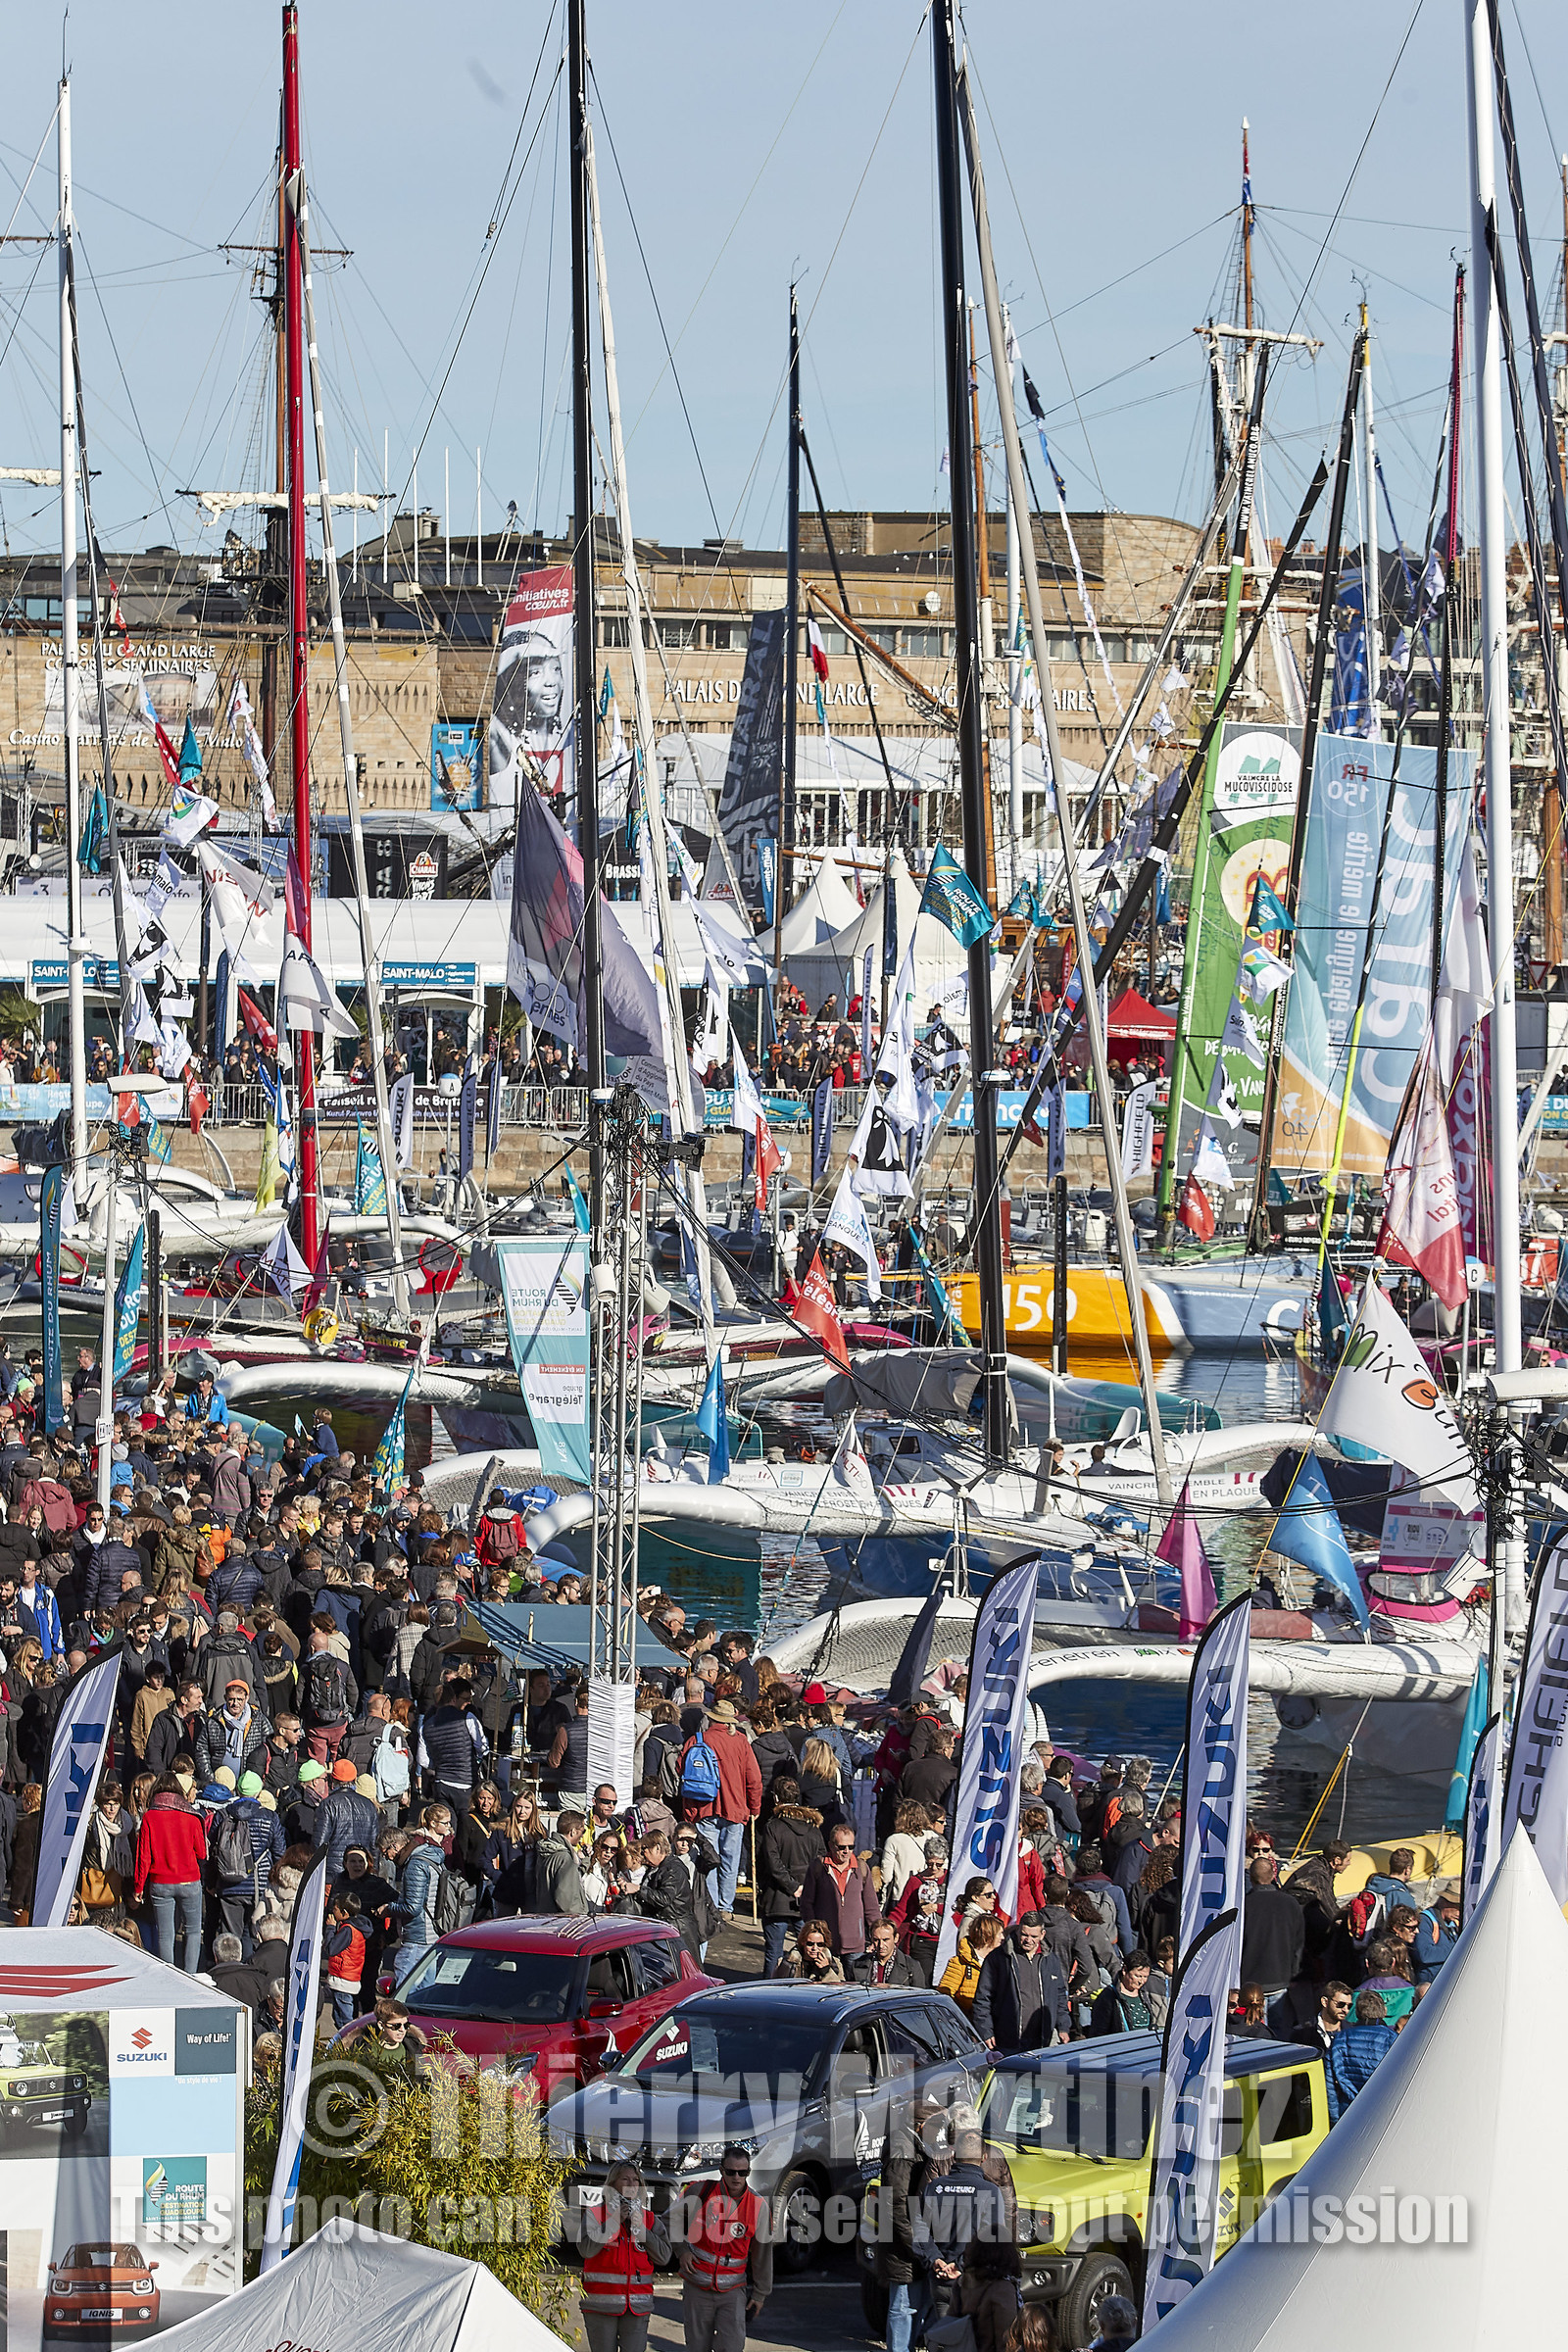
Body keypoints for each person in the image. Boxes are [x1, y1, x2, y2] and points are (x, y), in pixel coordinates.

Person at [679, 2144, 771, 2352]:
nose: (736, 2177)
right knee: (696, 2347)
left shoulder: (758, 2206)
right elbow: (669, 2220)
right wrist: (681, 2250)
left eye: (743, 2172)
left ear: (748, 2172)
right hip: (697, 2288)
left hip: (732, 2292)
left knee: (732, 2347)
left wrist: (760, 2294)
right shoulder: (699, 2192)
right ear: (721, 2170)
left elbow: (763, 2254)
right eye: (731, 2172)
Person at [676, 1701, 761, 1921]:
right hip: (735, 1808)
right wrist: (755, 1807)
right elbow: (754, 1778)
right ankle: (726, 1905)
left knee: (710, 1858)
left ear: (712, 1718)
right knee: (730, 1859)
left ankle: (712, 1903)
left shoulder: (698, 1740)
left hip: (704, 1807)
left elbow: (680, 1767)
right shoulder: (741, 1742)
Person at [579, 2158, 671, 2352]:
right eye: (625, 2179)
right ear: (612, 2184)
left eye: (635, 2180)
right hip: (600, 2306)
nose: (631, 2184)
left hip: (637, 2307)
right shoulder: (595, 2214)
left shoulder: (649, 2218)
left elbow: (664, 2257)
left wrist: (642, 2230)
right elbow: (586, 2250)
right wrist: (613, 2222)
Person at [134, 1775, 208, 1972]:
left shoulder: (150, 1816)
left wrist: (139, 1887)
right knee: (192, 1932)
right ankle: (191, 1975)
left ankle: (169, 1977)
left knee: (165, 1934)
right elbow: (201, 1852)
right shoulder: (191, 1816)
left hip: (160, 1883)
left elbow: (143, 1857)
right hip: (189, 1880)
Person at [971, 1913, 1070, 2053]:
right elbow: (983, 1998)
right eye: (1024, 1935)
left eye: (1034, 1936)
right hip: (1008, 2041)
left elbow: (1059, 1995)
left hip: (1044, 2041)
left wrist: (1063, 2026)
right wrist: (986, 2031)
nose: (1028, 1940)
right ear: (1018, 1931)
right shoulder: (998, 1958)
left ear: (1042, 1934)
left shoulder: (1051, 1959)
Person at [757, 1779, 825, 1979]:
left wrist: (792, 1886)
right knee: (811, 1952)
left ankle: (768, 1995)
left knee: (774, 1954)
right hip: (806, 1899)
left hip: (777, 1898)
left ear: (776, 1798)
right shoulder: (813, 1828)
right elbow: (822, 1861)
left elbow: (771, 1862)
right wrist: (805, 1887)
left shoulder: (773, 1827)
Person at [800, 1824, 880, 1966]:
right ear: (831, 1845)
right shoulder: (818, 1867)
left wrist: (876, 1937)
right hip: (826, 1946)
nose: (847, 1851)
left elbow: (871, 1907)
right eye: (842, 1847)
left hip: (856, 1945)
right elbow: (807, 1903)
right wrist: (815, 1933)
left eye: (851, 1847)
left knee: (854, 1986)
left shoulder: (861, 1868)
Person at [1325, 1986, 1398, 2122]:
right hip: (1383, 2110)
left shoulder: (1340, 2038)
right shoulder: (1393, 2039)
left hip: (1348, 2111)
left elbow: (1329, 2083)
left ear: (1357, 2012)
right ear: (1383, 2011)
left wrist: (1335, 2118)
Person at [1239, 1854, 1304, 1998]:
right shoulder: (1291, 1904)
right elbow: (1298, 1943)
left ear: (1251, 1878)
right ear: (1273, 1875)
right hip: (1280, 1979)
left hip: (1249, 1983)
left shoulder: (1244, 1906)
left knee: (1252, 2021)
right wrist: (1293, 1974)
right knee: (1279, 2021)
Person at [939, 1911, 1004, 2016]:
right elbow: (945, 1997)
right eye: (1000, 1934)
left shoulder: (1001, 1963)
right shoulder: (959, 1963)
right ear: (988, 1934)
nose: (1003, 1938)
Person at [1088, 1949, 1154, 2037]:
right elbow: (1099, 2031)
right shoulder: (1108, 1996)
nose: (1141, 1981)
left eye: (1145, 1977)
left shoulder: (1144, 1994)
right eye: (1138, 1976)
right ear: (1125, 1970)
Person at [1289, 1982, 1353, 2057]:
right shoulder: (1303, 2034)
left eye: (1349, 2006)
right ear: (1325, 2002)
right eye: (1340, 2004)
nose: (1346, 2010)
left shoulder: (1353, 2032)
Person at [857, 1917, 919, 1989]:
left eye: (885, 1940)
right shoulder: (858, 1964)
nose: (881, 1945)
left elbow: (920, 1996)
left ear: (896, 1938)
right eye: (876, 1940)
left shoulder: (911, 1966)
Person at [1413, 1890, 1461, 1984]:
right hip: (1429, 1984)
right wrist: (1460, 1948)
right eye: (1457, 1907)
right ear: (1444, 1903)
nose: (1459, 1912)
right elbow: (1425, 1954)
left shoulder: (1453, 1923)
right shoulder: (1425, 1920)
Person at [780, 1922, 844, 1983]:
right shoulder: (788, 1962)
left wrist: (826, 1971)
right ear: (803, 1942)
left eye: (820, 1944)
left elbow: (840, 1988)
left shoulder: (835, 1963)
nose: (814, 1948)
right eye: (810, 1944)